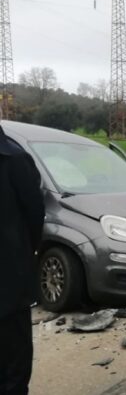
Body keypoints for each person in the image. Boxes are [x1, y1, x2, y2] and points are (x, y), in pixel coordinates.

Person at [0, 116, 45, 395]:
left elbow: (34, 215)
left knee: (13, 365)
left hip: (8, 282)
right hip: (11, 275)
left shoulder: (14, 160)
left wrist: (20, 255)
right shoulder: (12, 156)